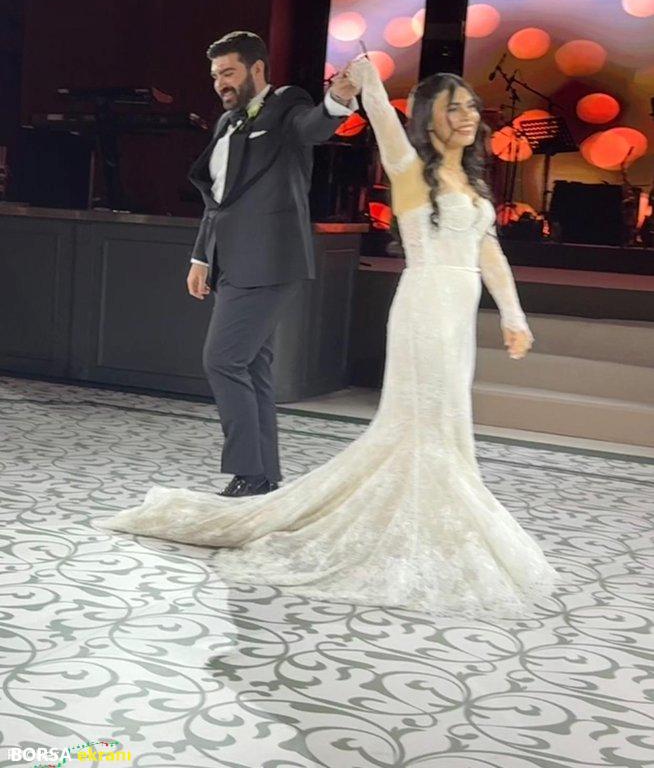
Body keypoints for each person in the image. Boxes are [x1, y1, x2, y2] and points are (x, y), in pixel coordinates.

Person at [101, 56, 560, 618]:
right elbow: (385, 124)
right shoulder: (410, 169)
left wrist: (513, 314)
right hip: (424, 309)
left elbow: (488, 251)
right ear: (428, 119)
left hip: (458, 314)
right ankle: (415, 523)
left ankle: (437, 517)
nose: (467, 116)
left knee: (447, 422)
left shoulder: (472, 182)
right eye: (452, 108)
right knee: (423, 420)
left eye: (470, 106)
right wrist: (366, 81)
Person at [186, 31, 359, 498]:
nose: (220, 83)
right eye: (215, 75)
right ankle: (262, 476)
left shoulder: (286, 105)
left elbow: (313, 126)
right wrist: (201, 256)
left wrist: (338, 100)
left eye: (229, 72)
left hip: (270, 259)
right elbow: (216, 200)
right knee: (252, 366)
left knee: (222, 360)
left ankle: (247, 470)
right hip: (229, 262)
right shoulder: (226, 123)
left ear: (257, 68)